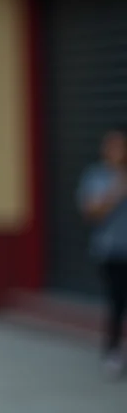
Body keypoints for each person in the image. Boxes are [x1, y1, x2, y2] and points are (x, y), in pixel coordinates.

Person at [78, 125, 127, 379]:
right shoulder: (96, 176)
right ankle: (113, 352)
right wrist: (117, 191)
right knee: (116, 303)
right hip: (111, 251)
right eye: (111, 145)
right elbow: (92, 212)